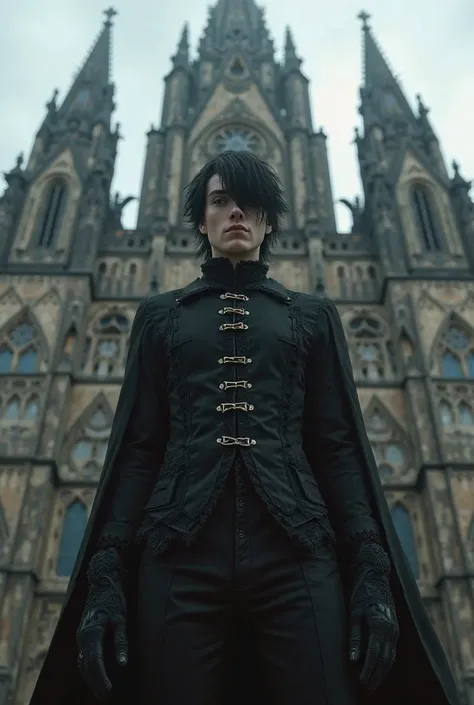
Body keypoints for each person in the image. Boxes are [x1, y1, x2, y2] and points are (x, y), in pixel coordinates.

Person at [31, 151, 460, 705]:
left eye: (250, 202)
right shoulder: (161, 316)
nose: (236, 212)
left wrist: (372, 571)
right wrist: (106, 579)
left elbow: (338, 451)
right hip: (178, 560)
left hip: (299, 559)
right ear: (201, 219)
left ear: (270, 219)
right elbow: (137, 451)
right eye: (220, 201)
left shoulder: (312, 315)